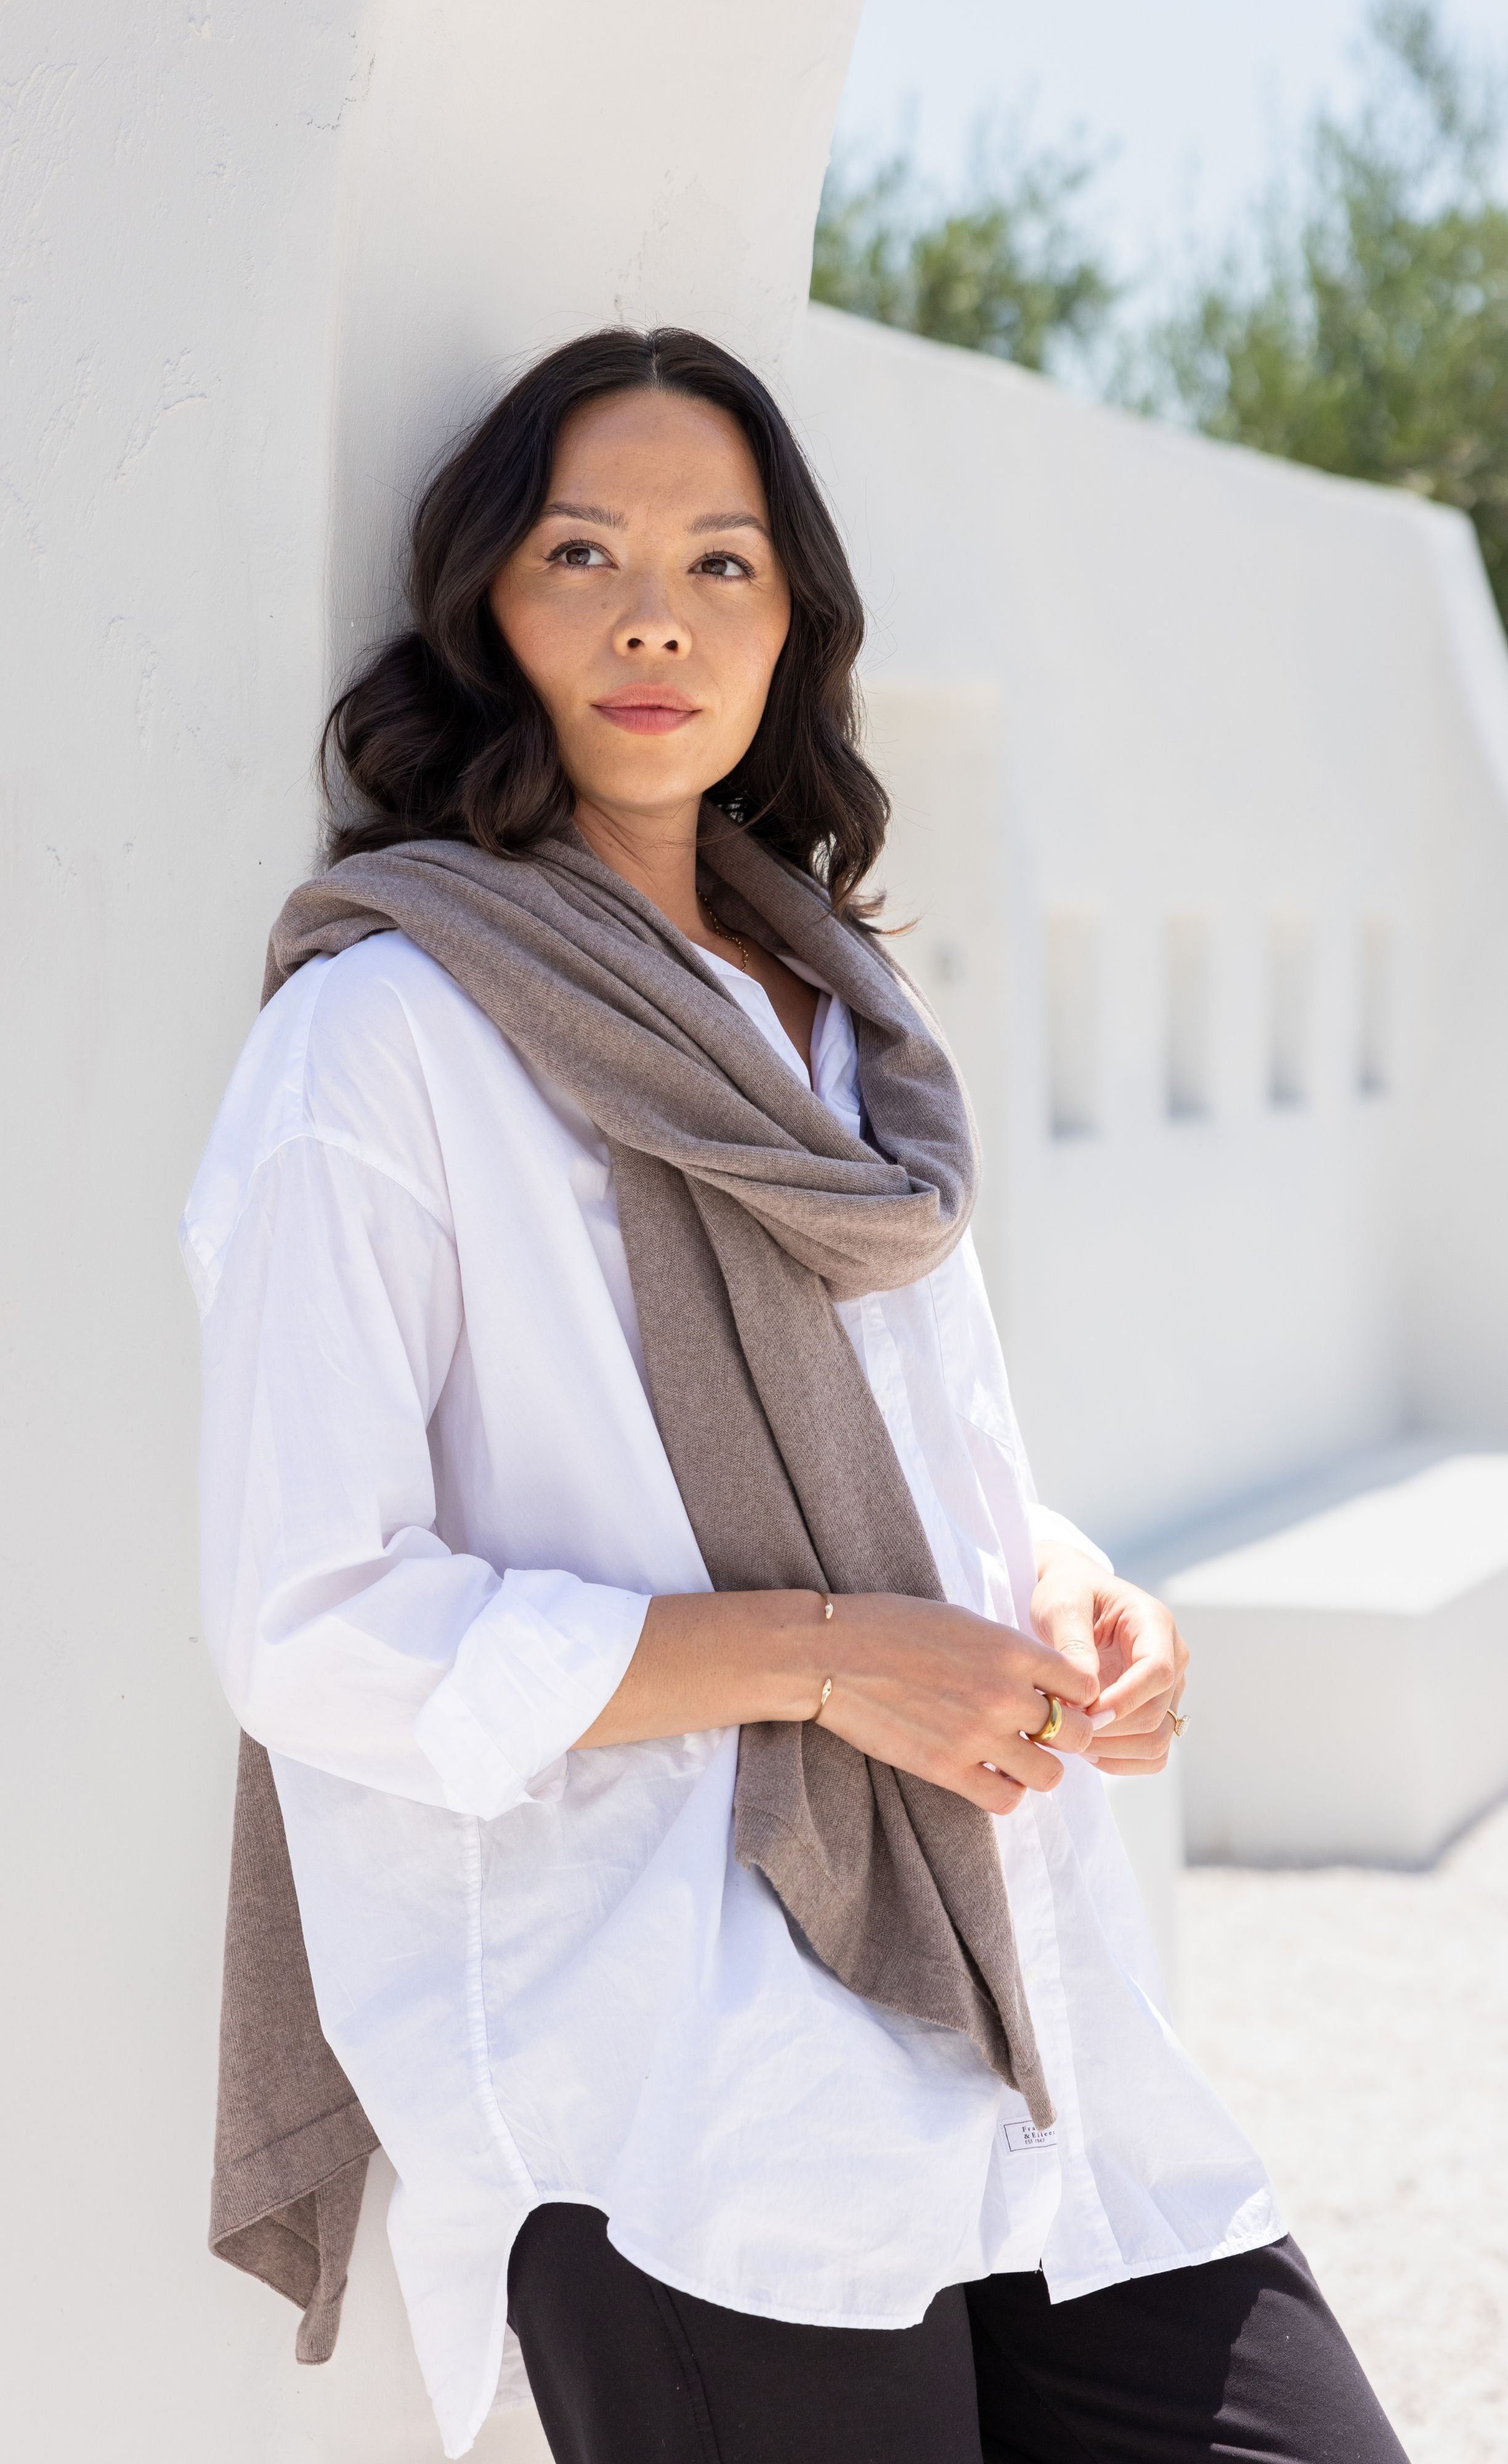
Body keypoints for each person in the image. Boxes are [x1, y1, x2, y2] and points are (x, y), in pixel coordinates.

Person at [183, 326, 1408, 2463]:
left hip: (1011, 2021)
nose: (656, 612)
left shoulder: (843, 1022)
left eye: (721, 563)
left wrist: (1067, 1587)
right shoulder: (383, 1043)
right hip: (676, 2073)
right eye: (585, 551)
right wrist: (835, 1671)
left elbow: (926, 1466)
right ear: (489, 608)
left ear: (794, 624)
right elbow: (312, 1625)